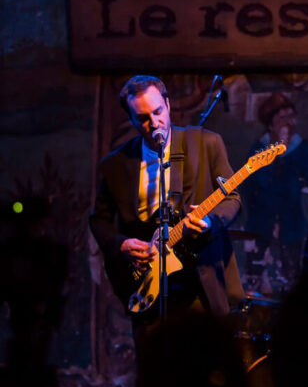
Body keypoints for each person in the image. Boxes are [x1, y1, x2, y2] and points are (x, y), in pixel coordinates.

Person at [89, 75, 244, 353]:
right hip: (148, 286)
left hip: (200, 281)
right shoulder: (115, 165)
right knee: (157, 377)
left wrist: (209, 222)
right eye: (143, 118)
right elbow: (99, 219)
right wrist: (121, 244)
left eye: (158, 112)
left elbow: (232, 198)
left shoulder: (206, 144)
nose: (154, 123)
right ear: (132, 120)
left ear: (169, 105)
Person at [241, 92, 308, 290]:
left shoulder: (303, 148)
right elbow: (258, 183)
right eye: (282, 118)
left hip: (291, 226)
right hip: (261, 227)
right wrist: (277, 150)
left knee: (290, 280)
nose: (289, 123)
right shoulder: (259, 149)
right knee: (256, 282)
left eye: (291, 117)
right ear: (270, 124)